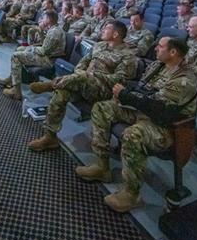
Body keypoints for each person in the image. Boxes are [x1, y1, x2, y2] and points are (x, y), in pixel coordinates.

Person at [75, 37, 197, 212]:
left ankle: (131, 194)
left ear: (173, 52)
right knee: (102, 108)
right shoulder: (158, 66)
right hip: (143, 112)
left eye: (160, 46)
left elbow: (160, 108)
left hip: (166, 126)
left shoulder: (184, 80)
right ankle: (102, 167)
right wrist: (124, 94)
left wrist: (126, 96)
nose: (156, 49)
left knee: (133, 134)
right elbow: (142, 89)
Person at [25, 21, 138, 152]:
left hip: (104, 90)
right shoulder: (99, 45)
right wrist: (80, 72)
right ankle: (50, 136)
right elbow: (83, 62)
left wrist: (93, 75)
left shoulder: (128, 56)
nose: (102, 30)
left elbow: (120, 80)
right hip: (83, 83)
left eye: (107, 28)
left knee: (84, 76)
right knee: (61, 93)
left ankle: (52, 84)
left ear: (115, 34)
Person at [1, 11, 67, 99]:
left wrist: (31, 48)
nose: (42, 20)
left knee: (16, 56)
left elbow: (44, 51)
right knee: (20, 49)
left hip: (49, 60)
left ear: (48, 19)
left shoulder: (54, 32)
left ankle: (16, 91)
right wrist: (41, 31)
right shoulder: (53, 29)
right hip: (48, 56)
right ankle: (12, 79)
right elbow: (44, 45)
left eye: (44, 18)